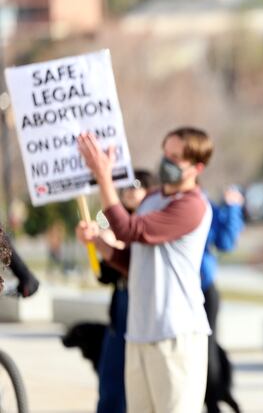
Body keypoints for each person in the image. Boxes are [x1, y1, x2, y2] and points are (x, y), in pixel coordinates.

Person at [76, 127, 213, 413]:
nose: (166, 161)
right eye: (166, 153)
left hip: (175, 336)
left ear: (197, 167)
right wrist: (98, 242)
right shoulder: (151, 199)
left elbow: (128, 229)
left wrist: (103, 176)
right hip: (139, 334)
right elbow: (133, 261)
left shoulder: (192, 207)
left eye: (176, 157)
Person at [94, 169, 156, 413]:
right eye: (125, 185)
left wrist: (119, 247)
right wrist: (103, 249)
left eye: (137, 184)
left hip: (145, 304)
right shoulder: (112, 225)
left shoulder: (152, 221)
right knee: (112, 376)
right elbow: (104, 277)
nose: (129, 190)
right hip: (120, 300)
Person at [202, 186, 245, 413]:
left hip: (204, 288)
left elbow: (225, 242)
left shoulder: (205, 206)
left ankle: (212, 401)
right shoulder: (162, 203)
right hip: (174, 292)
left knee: (207, 349)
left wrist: (232, 209)